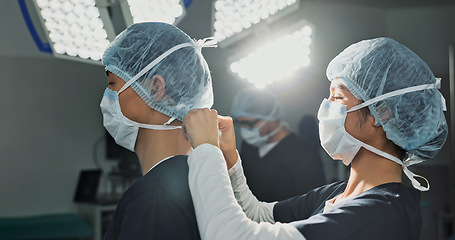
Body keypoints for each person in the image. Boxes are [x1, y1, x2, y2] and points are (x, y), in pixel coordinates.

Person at [182, 37, 448, 239]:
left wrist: (204, 149)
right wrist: (229, 157)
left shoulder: (381, 214)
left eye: (338, 97)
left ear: (383, 114)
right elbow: (259, 215)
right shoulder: (340, 194)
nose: (326, 108)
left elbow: (232, 235)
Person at [99, 22, 216, 239]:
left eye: (112, 83)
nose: (107, 94)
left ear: (155, 89)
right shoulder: (199, 180)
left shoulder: (155, 197)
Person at [231, 88, 325, 201]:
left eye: (249, 123)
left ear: (270, 117)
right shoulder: (249, 146)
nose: (243, 129)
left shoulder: (302, 156)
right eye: (240, 123)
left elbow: (312, 205)